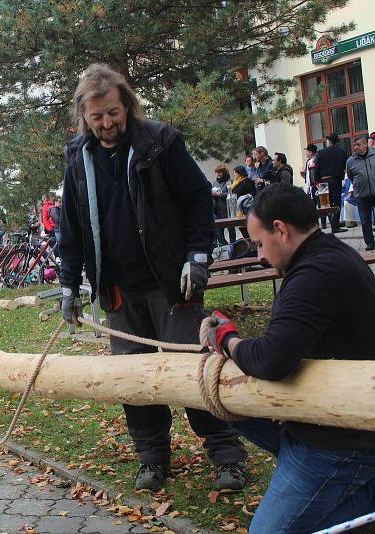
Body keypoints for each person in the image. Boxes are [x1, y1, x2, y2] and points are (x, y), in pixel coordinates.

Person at [58, 63, 247, 492]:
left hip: (171, 283)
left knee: (194, 372)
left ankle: (228, 455)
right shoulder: (77, 157)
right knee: (135, 380)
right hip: (118, 291)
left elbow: (199, 201)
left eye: (113, 113)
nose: (107, 123)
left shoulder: (160, 143)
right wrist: (69, 284)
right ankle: (153, 458)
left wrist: (197, 257)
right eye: (97, 116)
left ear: (126, 104)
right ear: (83, 116)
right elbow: (70, 227)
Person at [206, 183, 375, 533]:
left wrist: (228, 340)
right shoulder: (332, 254)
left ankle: (361, 498)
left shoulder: (313, 276)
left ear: (281, 230)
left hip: (338, 440)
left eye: (259, 243)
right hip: (328, 424)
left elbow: (271, 360)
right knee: (230, 409)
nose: (260, 256)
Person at [314, 132, 348, 233]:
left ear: (329, 141)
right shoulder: (341, 152)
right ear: (336, 142)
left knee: (325, 204)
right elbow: (344, 167)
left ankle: (332, 223)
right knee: (336, 203)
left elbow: (317, 168)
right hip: (336, 180)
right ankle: (335, 225)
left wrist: (317, 181)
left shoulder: (321, 153)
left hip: (323, 182)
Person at [346, 135, 375, 251]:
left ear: (365, 145)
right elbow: (350, 176)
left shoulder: (374, 155)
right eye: (354, 145)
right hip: (362, 195)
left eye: (358, 145)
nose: (355, 147)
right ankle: (370, 243)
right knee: (365, 220)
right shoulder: (350, 161)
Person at [211, 164, 235, 245]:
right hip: (217, 210)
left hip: (227, 208)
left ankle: (234, 246)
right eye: (217, 172)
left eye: (220, 172)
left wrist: (220, 195)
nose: (218, 174)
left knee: (231, 230)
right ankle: (225, 247)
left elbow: (231, 194)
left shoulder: (230, 181)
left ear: (224, 172)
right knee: (218, 232)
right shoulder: (215, 182)